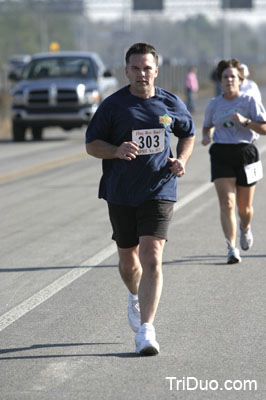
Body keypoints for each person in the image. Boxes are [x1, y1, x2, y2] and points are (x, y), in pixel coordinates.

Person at [85, 43, 195, 356]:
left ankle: (147, 330)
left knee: (152, 256)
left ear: (156, 71)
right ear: (126, 71)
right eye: (135, 68)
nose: (141, 74)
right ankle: (134, 294)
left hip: (159, 188)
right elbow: (92, 144)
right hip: (120, 191)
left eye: (147, 68)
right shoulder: (113, 106)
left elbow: (188, 133)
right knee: (128, 260)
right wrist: (116, 151)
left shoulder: (170, 102)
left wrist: (183, 159)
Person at [202, 58, 266, 264]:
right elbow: (207, 125)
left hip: (246, 152)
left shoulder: (249, 101)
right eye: (225, 77)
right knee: (227, 203)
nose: (229, 80)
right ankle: (231, 247)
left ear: (240, 80)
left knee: (244, 208)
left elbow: (264, 129)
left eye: (233, 77)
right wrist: (206, 135)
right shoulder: (214, 104)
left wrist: (246, 122)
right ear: (220, 81)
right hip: (221, 153)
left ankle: (245, 228)